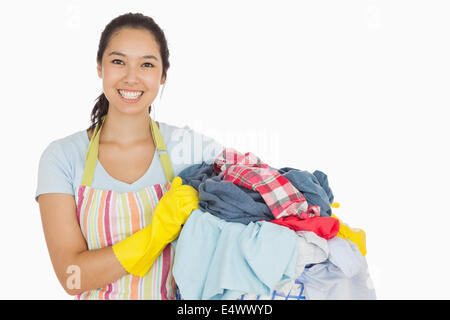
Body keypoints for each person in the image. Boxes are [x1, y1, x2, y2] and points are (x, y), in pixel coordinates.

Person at [35, 12, 223, 300]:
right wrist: (157, 234)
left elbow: (259, 180)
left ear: (163, 75)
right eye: (118, 61)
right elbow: (72, 277)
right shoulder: (62, 157)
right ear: (100, 67)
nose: (131, 77)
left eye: (146, 64)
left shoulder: (189, 147)